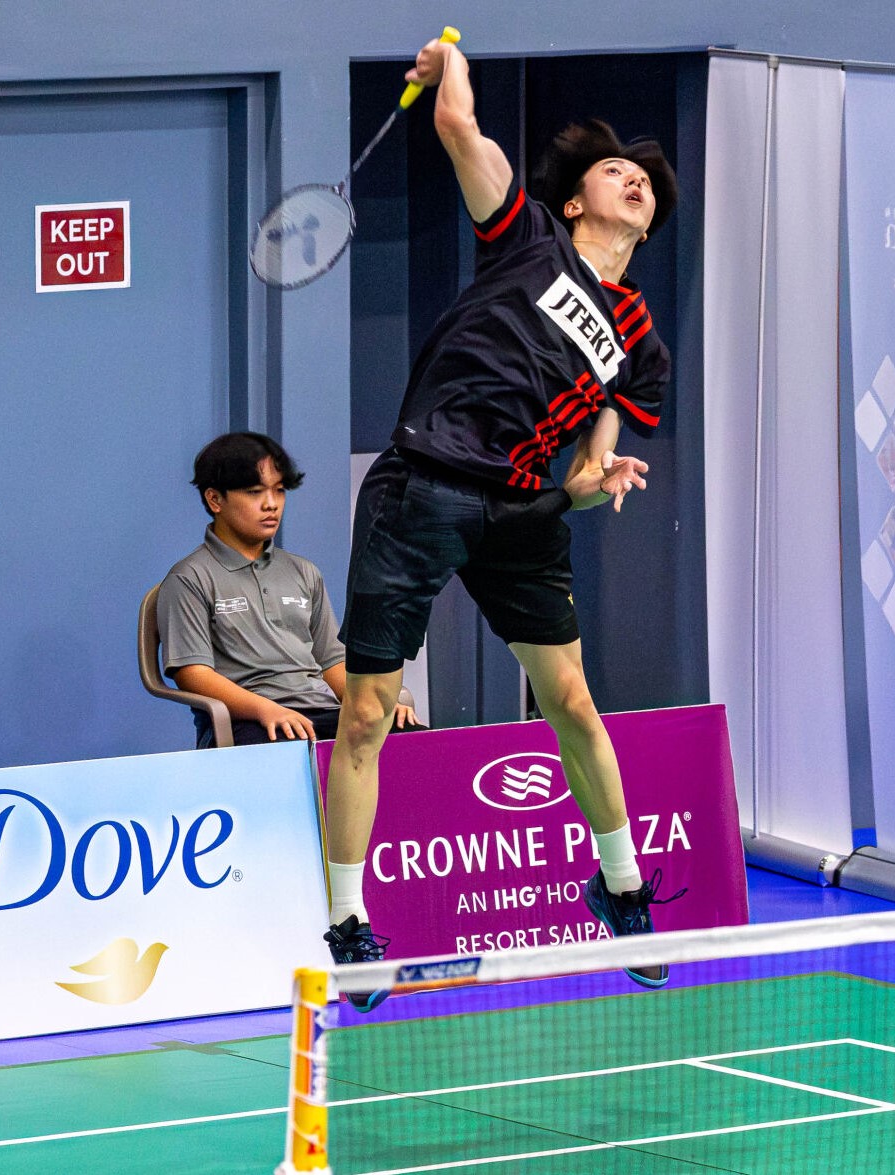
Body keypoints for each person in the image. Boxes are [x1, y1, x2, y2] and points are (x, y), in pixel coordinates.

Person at [322, 33, 682, 1011]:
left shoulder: (640, 344)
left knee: (570, 701)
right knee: (365, 710)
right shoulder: (529, 238)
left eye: (645, 179)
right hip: (423, 484)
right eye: (615, 171)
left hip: (522, 510)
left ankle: (621, 890)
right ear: (577, 201)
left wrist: (599, 483)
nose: (633, 180)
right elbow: (456, 127)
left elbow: (581, 469)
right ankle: (350, 927)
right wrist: (451, 63)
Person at [157, 432, 421, 748]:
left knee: (425, 746)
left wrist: (375, 705)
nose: (271, 505)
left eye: (279, 491)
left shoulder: (303, 571)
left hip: (324, 712)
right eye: (255, 492)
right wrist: (265, 708)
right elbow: (192, 673)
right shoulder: (189, 577)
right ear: (215, 499)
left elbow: (331, 661)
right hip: (249, 721)